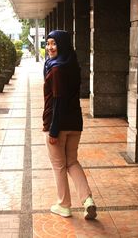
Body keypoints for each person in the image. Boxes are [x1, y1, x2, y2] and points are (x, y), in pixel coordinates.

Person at [42, 30, 97, 220]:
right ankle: (87, 200)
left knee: (59, 165)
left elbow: (58, 101)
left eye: (54, 44)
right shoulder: (72, 64)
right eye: (48, 43)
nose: (50, 47)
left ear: (62, 45)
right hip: (75, 123)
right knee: (72, 161)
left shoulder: (57, 69)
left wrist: (53, 130)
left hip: (58, 123)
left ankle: (64, 205)